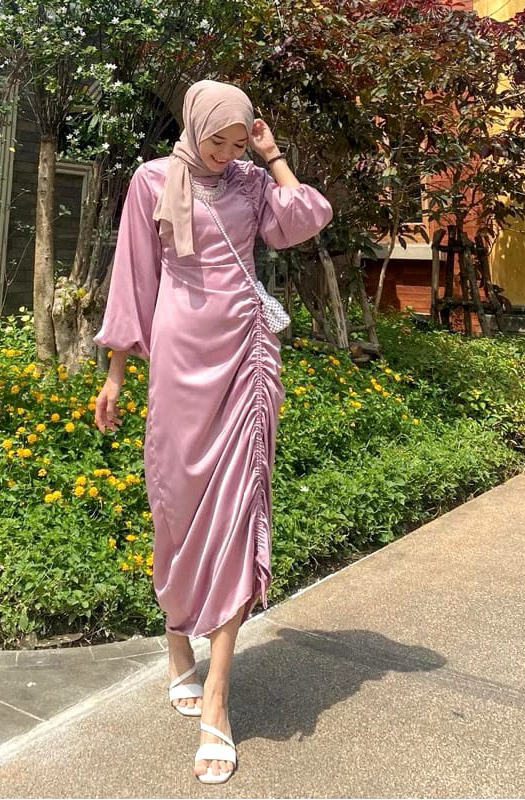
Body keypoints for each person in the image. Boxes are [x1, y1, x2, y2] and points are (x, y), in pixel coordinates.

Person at [93, 79, 332, 784]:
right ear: (192, 127)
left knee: (235, 511)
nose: (227, 153)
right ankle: (178, 646)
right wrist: (115, 374)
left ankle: (218, 704)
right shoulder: (150, 180)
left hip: (244, 353)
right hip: (177, 354)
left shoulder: (253, 182)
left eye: (237, 141)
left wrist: (273, 155)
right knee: (174, 505)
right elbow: (133, 278)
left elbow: (306, 217)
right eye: (216, 140)